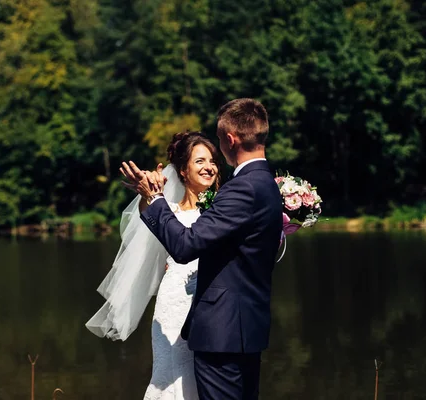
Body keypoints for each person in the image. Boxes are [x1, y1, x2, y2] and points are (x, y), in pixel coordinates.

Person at [121, 98, 283, 400]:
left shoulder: (241, 188)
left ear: (230, 139)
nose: (212, 162)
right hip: (245, 330)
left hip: (222, 333)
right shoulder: (267, 185)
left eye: (218, 144)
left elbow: (184, 246)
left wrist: (155, 199)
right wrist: (152, 200)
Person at [86, 131, 221, 399]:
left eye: (213, 161)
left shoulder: (226, 208)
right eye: (200, 161)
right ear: (182, 171)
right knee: (171, 377)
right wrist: (149, 194)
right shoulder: (167, 209)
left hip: (213, 304)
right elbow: (148, 216)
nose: (209, 167)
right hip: (174, 303)